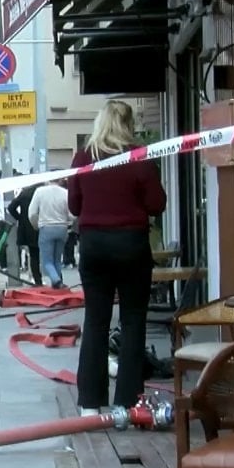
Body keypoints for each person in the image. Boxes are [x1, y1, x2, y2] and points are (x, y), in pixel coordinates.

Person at [68, 101, 166, 417]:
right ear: (128, 125)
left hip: (94, 245)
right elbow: (157, 204)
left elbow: (73, 205)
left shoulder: (84, 158)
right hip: (131, 244)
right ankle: (128, 401)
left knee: (95, 322)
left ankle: (90, 403)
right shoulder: (137, 157)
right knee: (133, 320)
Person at [27, 178, 75, 289]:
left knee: (47, 262)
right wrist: (68, 223)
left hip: (46, 227)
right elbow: (72, 214)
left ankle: (56, 281)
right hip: (62, 228)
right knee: (57, 260)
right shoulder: (65, 193)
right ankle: (57, 285)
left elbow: (32, 213)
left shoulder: (40, 191)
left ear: (48, 180)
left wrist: (36, 225)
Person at [6, 178, 44, 286]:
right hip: (43, 224)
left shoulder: (24, 193)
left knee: (33, 254)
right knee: (48, 253)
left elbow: (11, 207)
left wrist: (20, 218)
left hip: (27, 227)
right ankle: (55, 279)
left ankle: (37, 280)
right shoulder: (42, 192)